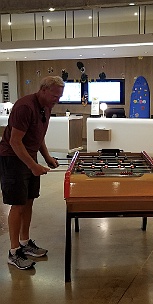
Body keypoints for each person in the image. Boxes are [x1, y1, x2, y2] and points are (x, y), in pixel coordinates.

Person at [0, 76, 65, 270]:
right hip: (13, 158)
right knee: (18, 205)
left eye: (59, 96)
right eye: (54, 95)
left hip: (28, 157)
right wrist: (33, 166)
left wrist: (46, 157)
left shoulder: (46, 107)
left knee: (29, 201)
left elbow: (39, 136)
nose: (57, 99)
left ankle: (25, 242)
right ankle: (13, 252)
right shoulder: (24, 107)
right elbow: (14, 141)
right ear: (43, 90)